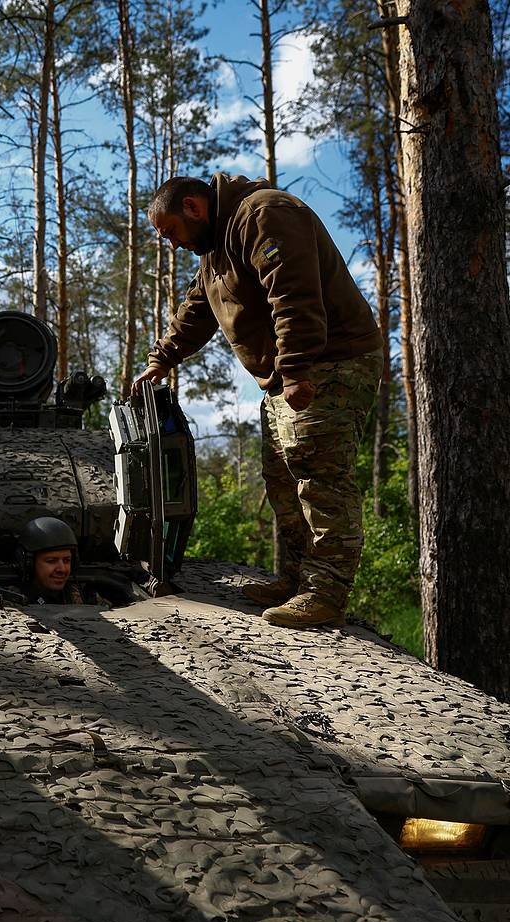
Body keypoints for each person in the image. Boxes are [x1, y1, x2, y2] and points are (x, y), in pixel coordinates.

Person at [135, 174, 382, 628]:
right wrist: (162, 358)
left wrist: (297, 368)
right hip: (288, 371)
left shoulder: (265, 214)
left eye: (170, 231)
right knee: (281, 479)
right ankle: (295, 578)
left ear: (193, 207)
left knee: (318, 473)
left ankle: (325, 591)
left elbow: (294, 295)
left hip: (330, 361)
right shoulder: (215, 248)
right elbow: (198, 308)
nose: (170, 244)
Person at [13, 517, 87, 605]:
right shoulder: (12, 601)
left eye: (67, 560)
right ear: (29, 564)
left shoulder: (85, 597)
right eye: (51, 561)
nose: (62, 569)